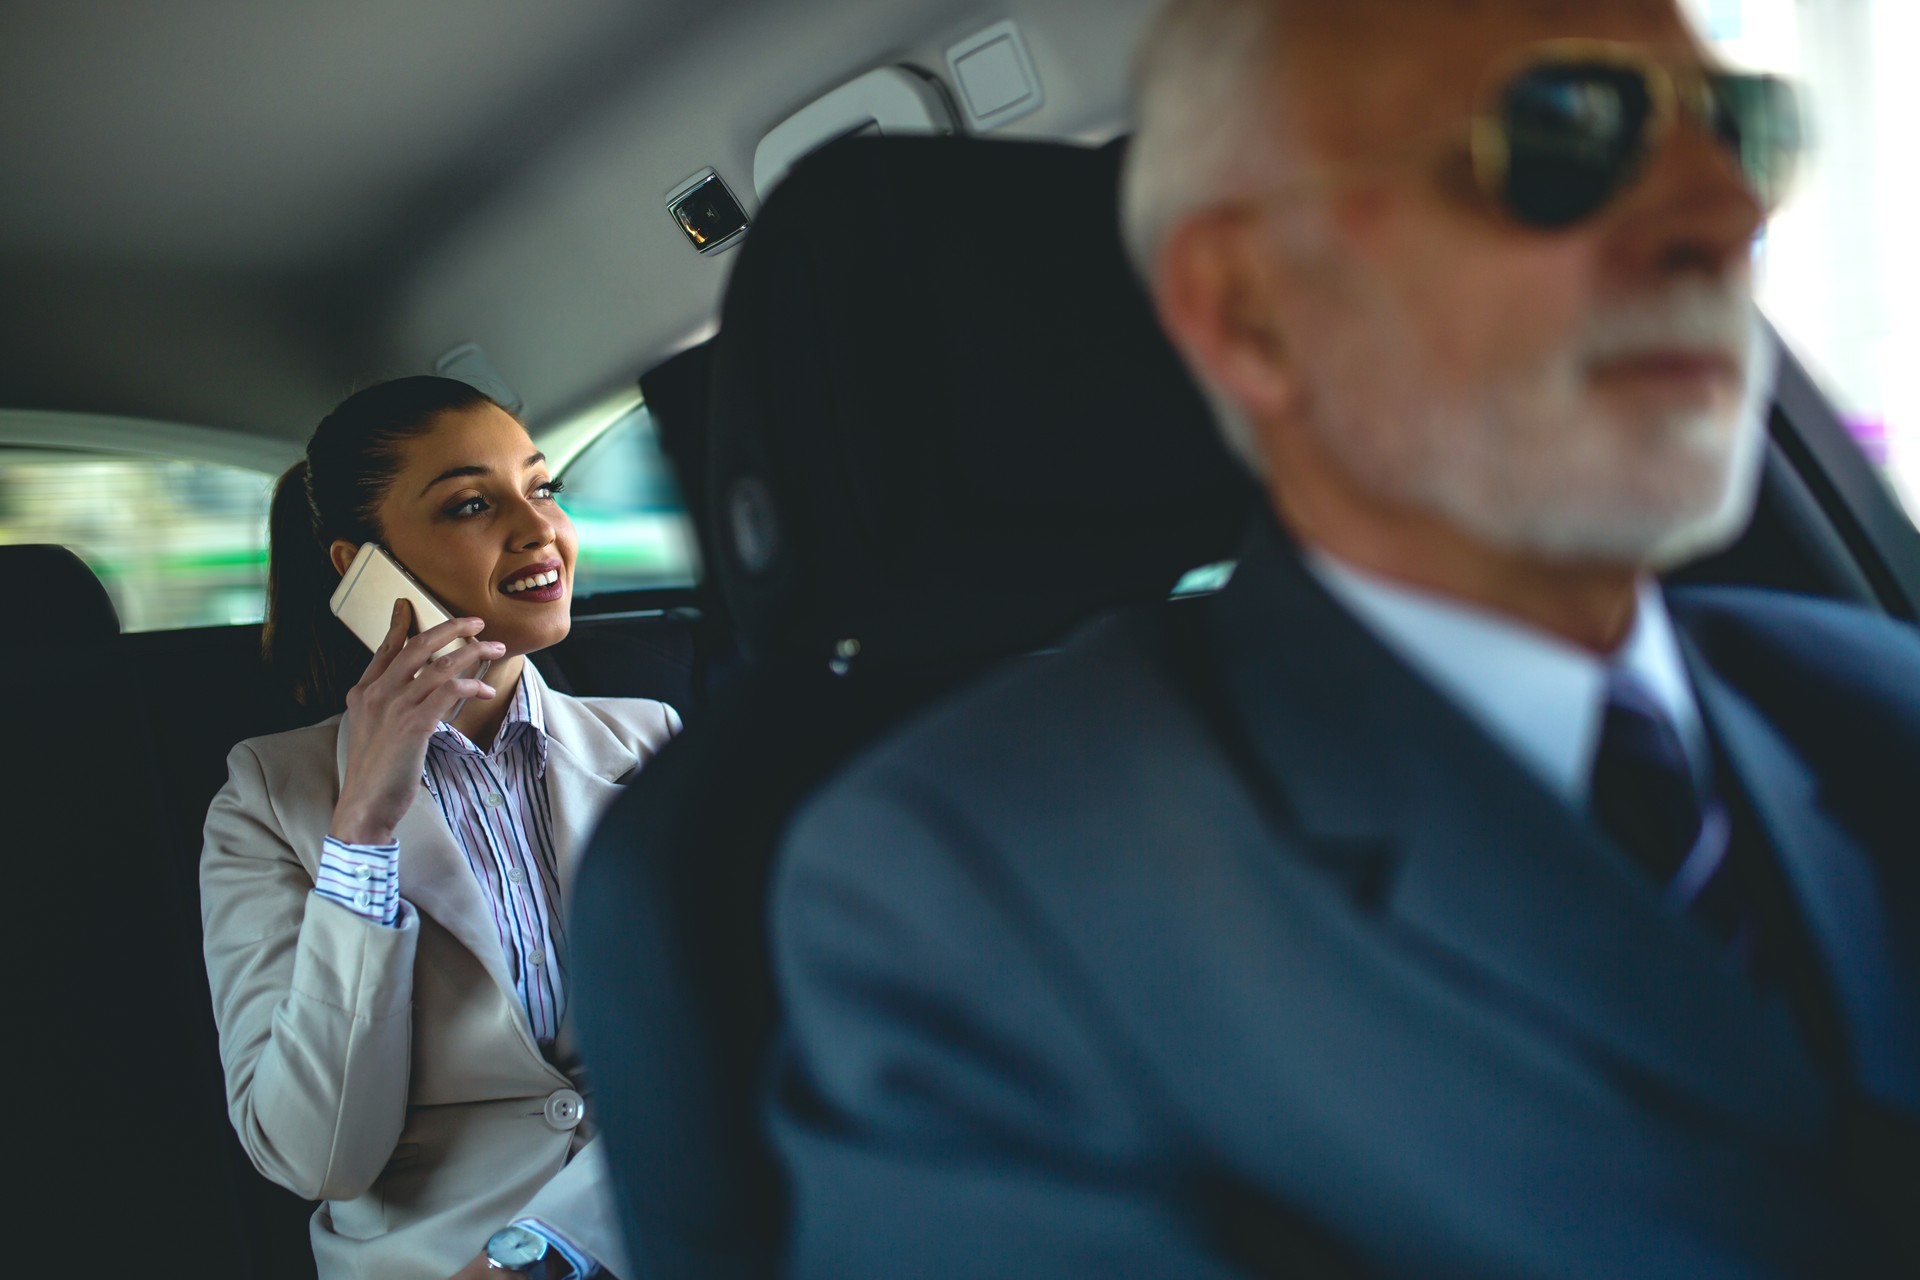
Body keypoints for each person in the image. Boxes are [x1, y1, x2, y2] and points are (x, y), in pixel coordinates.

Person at [762, 1, 1919, 1276]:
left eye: (1744, 133)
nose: (1726, 216)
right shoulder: (970, 886)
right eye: (1564, 132)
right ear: (1252, 310)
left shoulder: (1875, 694)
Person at [202, 377, 680, 1280]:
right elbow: (315, 1158)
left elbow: (732, 1041)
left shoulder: (653, 739)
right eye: (472, 503)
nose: (538, 527)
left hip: (664, 1226)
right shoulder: (266, 797)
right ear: (360, 566)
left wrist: (544, 1250)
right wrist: (363, 832)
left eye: (542, 487)